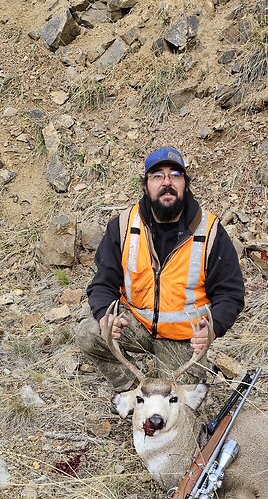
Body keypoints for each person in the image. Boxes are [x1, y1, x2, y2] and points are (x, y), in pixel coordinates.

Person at [75, 146, 245, 391]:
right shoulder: (123, 226)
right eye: (157, 176)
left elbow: (230, 294)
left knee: (183, 411)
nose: (167, 182)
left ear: (185, 184)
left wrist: (213, 329)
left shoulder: (210, 232)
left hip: (182, 338)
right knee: (89, 332)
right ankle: (135, 392)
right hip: (137, 325)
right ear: (146, 185)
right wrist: (105, 316)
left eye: (175, 175)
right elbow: (103, 282)